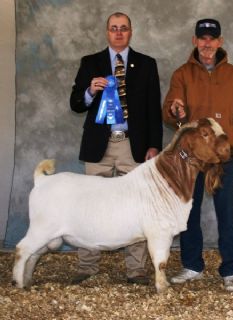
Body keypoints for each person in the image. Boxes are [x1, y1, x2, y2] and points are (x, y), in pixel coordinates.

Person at [70, 12, 163, 285]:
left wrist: (154, 145)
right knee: (89, 206)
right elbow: (75, 103)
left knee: (135, 207)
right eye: (114, 28)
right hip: (99, 145)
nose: (119, 33)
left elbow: (153, 111)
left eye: (123, 28)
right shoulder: (91, 63)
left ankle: (135, 269)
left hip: (133, 146)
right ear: (107, 32)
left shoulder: (146, 64)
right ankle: (86, 266)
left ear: (131, 32)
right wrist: (89, 91)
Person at [162, 18, 233, 291]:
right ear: (194, 41)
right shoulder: (182, 74)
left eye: (211, 38)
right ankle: (192, 265)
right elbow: (169, 110)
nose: (206, 43)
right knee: (188, 214)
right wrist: (174, 108)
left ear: (220, 42)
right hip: (191, 160)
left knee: (227, 214)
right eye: (201, 38)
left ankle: (230, 269)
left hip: (224, 158)